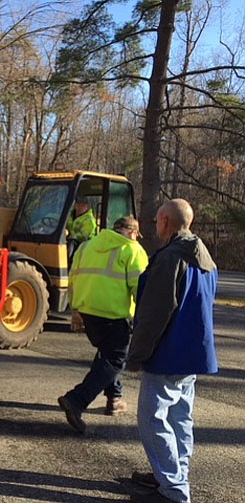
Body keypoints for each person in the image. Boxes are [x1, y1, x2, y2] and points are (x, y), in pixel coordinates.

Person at [127, 199, 218, 503]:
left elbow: (155, 313)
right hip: (192, 354)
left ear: (166, 221)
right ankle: (172, 474)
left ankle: (174, 490)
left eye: (156, 220)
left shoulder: (169, 259)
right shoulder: (205, 259)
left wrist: (137, 354)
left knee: (152, 417)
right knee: (180, 417)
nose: (154, 225)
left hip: (167, 353)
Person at [58, 215, 148, 434]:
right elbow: (141, 288)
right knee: (116, 359)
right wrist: (145, 319)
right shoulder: (133, 250)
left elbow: (73, 277)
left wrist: (75, 310)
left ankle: (114, 399)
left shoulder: (86, 246)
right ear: (133, 233)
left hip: (88, 312)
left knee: (106, 355)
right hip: (114, 315)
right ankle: (77, 400)